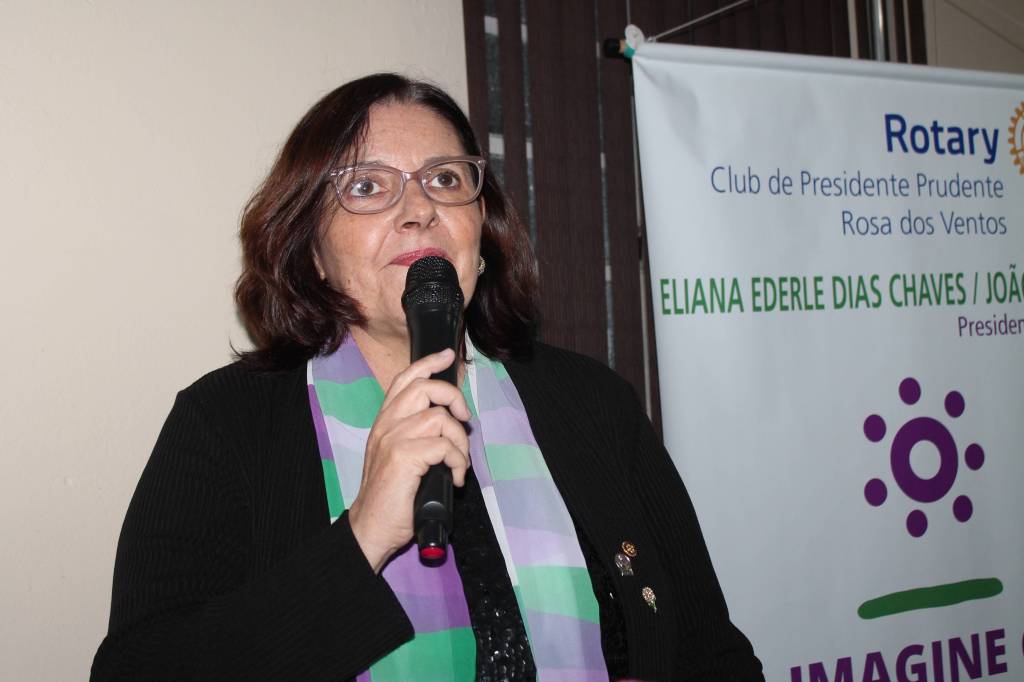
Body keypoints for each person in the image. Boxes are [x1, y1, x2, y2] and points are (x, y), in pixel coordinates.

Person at [91, 73, 763, 681]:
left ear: (481, 229)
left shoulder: (593, 404)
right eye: (367, 186)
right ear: (313, 251)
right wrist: (363, 535)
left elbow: (713, 656)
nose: (419, 210)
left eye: (445, 179)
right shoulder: (227, 424)